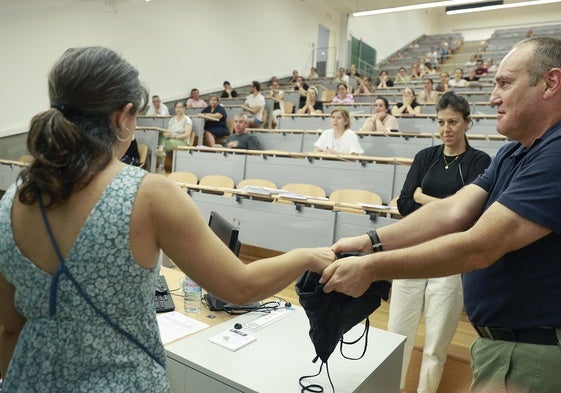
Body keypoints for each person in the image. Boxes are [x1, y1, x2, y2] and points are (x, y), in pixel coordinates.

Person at [0, 46, 334, 392]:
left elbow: (8, 328)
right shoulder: (148, 195)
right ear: (123, 117)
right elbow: (241, 286)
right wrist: (306, 256)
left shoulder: (15, 198)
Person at [321, 37, 561, 393]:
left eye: (505, 83)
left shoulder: (556, 154)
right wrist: (370, 242)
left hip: (530, 351)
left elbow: (479, 246)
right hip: (507, 346)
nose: (494, 97)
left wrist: (371, 267)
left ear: (550, 83)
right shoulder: (513, 154)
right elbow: (451, 210)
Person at [391, 92, 491, 393]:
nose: (446, 129)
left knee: (435, 345)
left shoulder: (479, 161)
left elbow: (467, 215)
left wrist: (425, 198)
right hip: (412, 252)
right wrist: (446, 207)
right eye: (441, 122)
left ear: (467, 123)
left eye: (453, 122)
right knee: (397, 335)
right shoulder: (425, 157)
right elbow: (404, 203)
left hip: (450, 260)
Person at [156, 101, 192, 171]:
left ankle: (161, 166)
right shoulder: (172, 119)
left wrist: (174, 137)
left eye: (180, 107)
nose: (178, 109)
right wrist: (168, 134)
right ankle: (161, 150)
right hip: (171, 139)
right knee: (161, 137)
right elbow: (168, 131)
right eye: (176, 107)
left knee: (164, 144)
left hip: (182, 141)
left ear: (184, 109)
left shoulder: (187, 120)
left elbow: (187, 135)